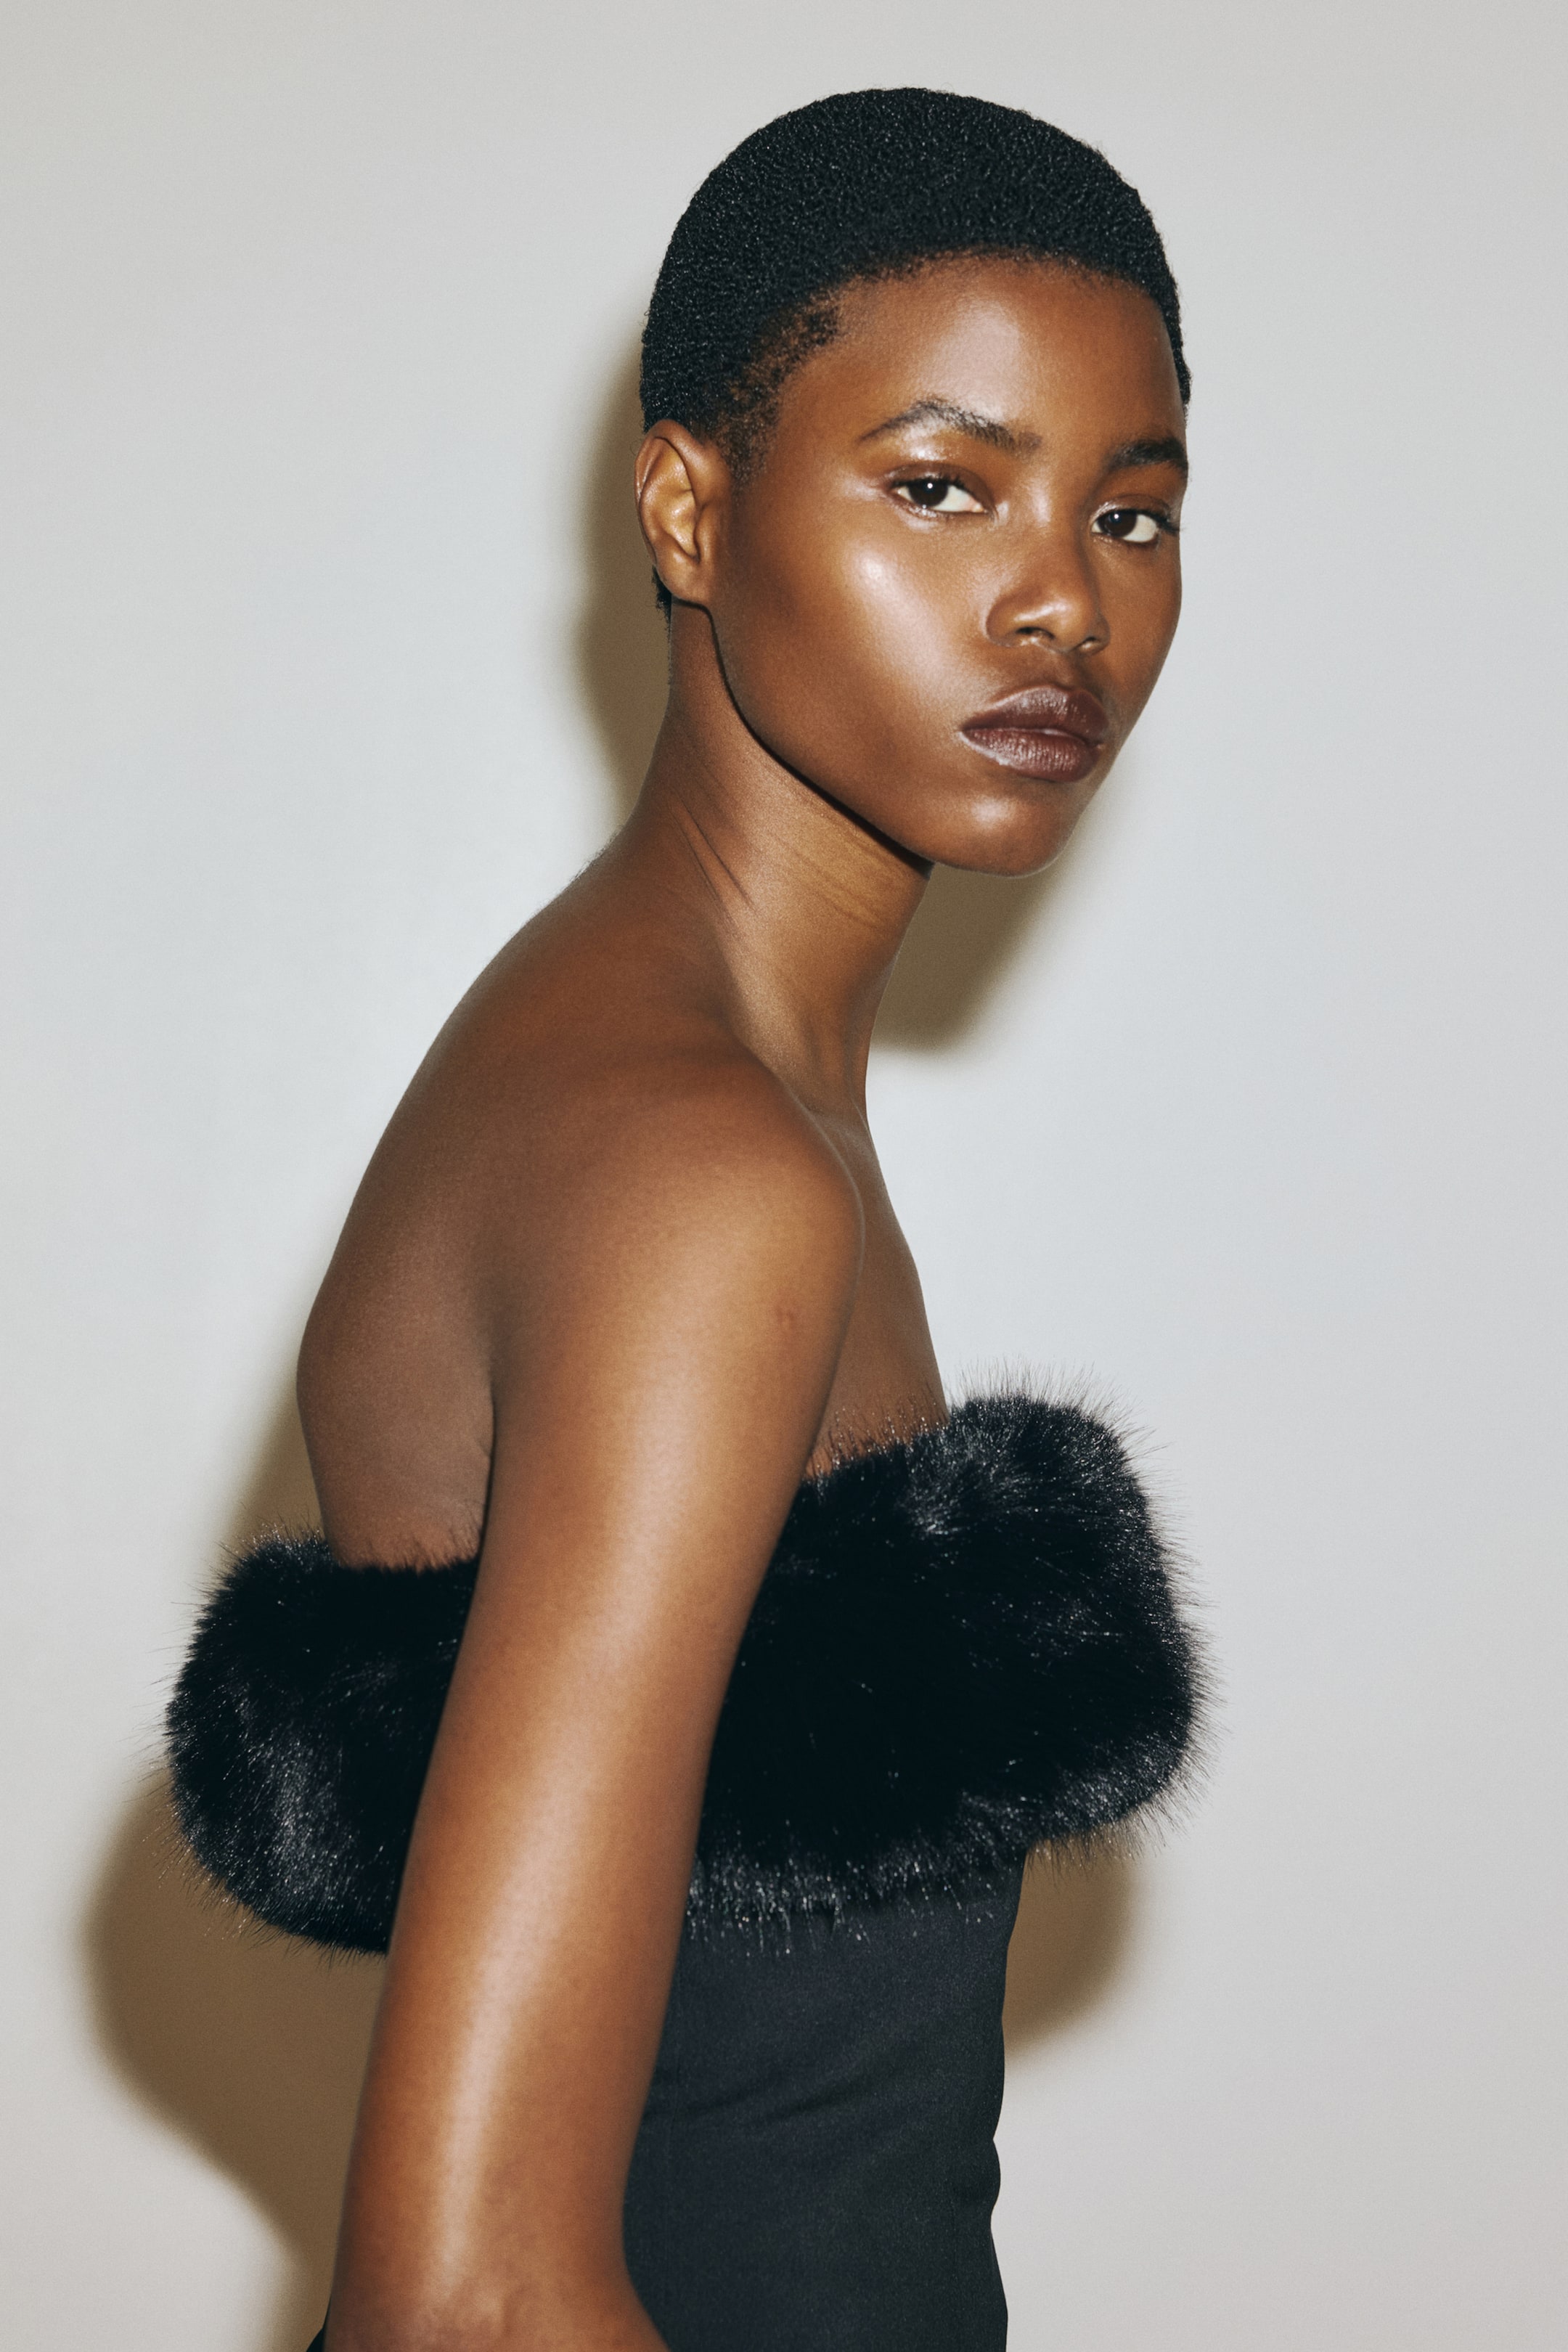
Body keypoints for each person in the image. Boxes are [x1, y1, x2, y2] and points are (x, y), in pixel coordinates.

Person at [168, 86, 1201, 2351]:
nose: (1065, 598)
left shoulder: (667, 1073)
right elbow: (467, 2298)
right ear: (688, 510)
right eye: (943, 486)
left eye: (1132, 511)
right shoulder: (697, 1172)